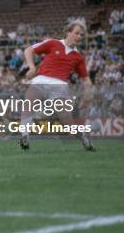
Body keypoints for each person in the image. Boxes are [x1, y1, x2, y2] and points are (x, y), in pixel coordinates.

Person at [20, 19, 95, 151]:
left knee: (67, 122)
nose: (79, 37)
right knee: (29, 101)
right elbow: (28, 51)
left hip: (59, 86)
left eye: (81, 35)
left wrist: (88, 92)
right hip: (41, 80)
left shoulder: (78, 57)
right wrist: (31, 68)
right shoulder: (53, 43)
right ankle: (24, 136)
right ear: (68, 32)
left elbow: (86, 79)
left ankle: (83, 136)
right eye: (76, 33)